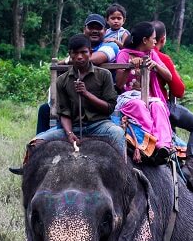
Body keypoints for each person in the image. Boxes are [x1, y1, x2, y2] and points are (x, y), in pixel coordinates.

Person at [10, 34, 124, 173]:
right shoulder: (62, 80)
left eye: (84, 52)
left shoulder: (104, 75)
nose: (80, 57)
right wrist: (69, 133)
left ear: (90, 53)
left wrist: (86, 94)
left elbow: (109, 108)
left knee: (117, 132)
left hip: (99, 125)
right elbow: (64, 113)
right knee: (35, 143)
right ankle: (30, 172)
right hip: (74, 127)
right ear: (70, 55)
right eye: (75, 53)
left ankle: (123, 171)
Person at [36, 14, 120, 134]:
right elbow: (64, 110)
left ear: (105, 31)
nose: (94, 31)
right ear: (84, 29)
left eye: (98, 28)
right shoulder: (63, 77)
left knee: (117, 133)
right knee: (44, 114)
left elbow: (96, 59)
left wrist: (67, 60)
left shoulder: (110, 46)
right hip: (73, 114)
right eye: (91, 27)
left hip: (99, 111)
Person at [151, 20, 193, 192]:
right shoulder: (161, 58)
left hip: (127, 105)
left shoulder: (126, 53)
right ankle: (190, 168)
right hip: (160, 106)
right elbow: (179, 90)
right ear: (163, 39)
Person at [115, 22, 175, 156]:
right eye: (153, 38)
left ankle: (163, 145)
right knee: (139, 105)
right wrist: (129, 67)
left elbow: (169, 76)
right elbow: (119, 84)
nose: (155, 41)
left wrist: (156, 66)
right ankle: (149, 143)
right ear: (144, 40)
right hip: (128, 98)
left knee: (158, 105)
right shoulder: (124, 54)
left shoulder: (152, 54)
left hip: (147, 96)